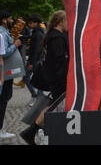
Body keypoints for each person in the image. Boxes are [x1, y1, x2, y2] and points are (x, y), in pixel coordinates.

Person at [20, 10, 69, 145]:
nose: (69, 23)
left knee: (53, 105)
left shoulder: (54, 35)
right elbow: (60, 61)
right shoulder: (57, 37)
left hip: (55, 77)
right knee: (53, 106)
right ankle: (33, 131)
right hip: (57, 79)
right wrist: (65, 79)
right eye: (67, 20)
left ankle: (33, 131)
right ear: (60, 22)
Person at [0, 10, 21, 139]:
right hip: (4, 72)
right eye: (10, 18)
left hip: (5, 71)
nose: (12, 21)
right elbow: (4, 53)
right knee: (4, 99)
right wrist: (15, 45)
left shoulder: (4, 32)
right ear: (4, 20)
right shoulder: (2, 33)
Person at [24, 14, 45, 106]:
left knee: (26, 78)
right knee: (37, 78)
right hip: (38, 59)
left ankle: (36, 96)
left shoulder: (37, 33)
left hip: (34, 60)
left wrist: (31, 62)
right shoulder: (39, 32)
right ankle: (40, 97)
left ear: (36, 23)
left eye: (31, 23)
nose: (29, 24)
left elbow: (35, 49)